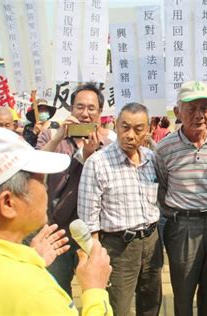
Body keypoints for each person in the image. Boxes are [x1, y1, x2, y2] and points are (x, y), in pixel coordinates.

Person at [0, 128, 113, 315]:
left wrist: (28, 260)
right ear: (8, 203)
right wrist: (95, 291)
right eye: (41, 181)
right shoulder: (35, 293)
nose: (46, 189)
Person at [156, 81, 207, 316]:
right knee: (183, 290)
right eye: (191, 108)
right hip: (182, 227)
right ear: (178, 111)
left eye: (204, 107)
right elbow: (162, 187)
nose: (199, 115)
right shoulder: (165, 148)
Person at [78, 102, 163, 316]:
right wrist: (95, 257)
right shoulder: (98, 163)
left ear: (148, 130)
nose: (130, 135)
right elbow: (89, 220)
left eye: (138, 129)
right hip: (118, 248)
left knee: (151, 303)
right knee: (119, 307)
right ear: (116, 126)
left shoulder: (152, 159)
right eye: (125, 127)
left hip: (151, 243)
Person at [36, 82, 116, 296]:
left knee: (97, 291)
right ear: (71, 109)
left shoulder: (108, 146)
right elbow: (36, 167)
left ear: (100, 113)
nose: (85, 113)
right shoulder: (52, 137)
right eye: (79, 107)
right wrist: (58, 136)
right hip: (57, 232)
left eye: (91, 108)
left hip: (94, 234)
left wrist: (91, 155)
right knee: (56, 292)